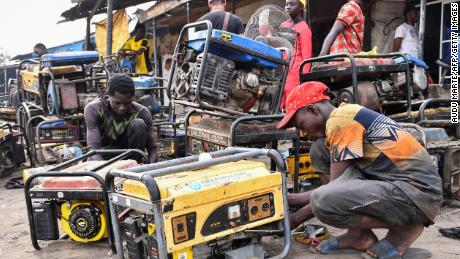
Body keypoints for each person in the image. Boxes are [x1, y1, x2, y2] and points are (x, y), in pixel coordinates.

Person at [277, 81, 442, 258]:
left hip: (418, 193)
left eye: (300, 124)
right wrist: (288, 200)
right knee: (320, 149)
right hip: (404, 186)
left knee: (323, 201)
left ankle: (404, 228)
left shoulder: (340, 121)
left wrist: (292, 214)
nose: (302, 132)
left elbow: (333, 190)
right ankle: (358, 235)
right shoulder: (345, 114)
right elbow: (338, 185)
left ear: (312, 110)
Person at [84, 73, 157, 163]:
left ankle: (134, 165)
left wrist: (150, 168)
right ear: (108, 95)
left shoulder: (142, 112)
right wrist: (104, 171)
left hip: (130, 159)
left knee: (138, 124)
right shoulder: (94, 109)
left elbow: (152, 149)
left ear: (133, 97)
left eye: (127, 103)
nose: (122, 108)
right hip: (102, 158)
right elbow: (94, 150)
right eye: (117, 103)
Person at [280, 0, 312, 109]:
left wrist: (303, 78)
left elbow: (307, 57)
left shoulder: (304, 29)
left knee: (292, 103)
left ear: (301, 7)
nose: (288, 7)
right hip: (281, 69)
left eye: (292, 4)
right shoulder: (283, 25)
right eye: (287, 4)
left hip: (295, 72)